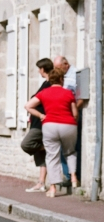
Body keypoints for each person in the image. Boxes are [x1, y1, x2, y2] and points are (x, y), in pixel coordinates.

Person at [25, 68, 78, 197]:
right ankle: (74, 178)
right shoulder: (68, 93)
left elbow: (28, 106)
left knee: (51, 156)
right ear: (61, 79)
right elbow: (75, 113)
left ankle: (53, 188)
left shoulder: (44, 93)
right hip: (68, 125)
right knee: (70, 151)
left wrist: (41, 115)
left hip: (50, 125)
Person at [21, 58, 53, 192]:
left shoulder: (50, 84)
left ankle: (44, 147)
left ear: (43, 69)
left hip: (40, 123)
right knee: (40, 156)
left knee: (27, 144)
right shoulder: (45, 83)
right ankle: (41, 183)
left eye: (39, 69)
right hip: (36, 121)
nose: (39, 71)